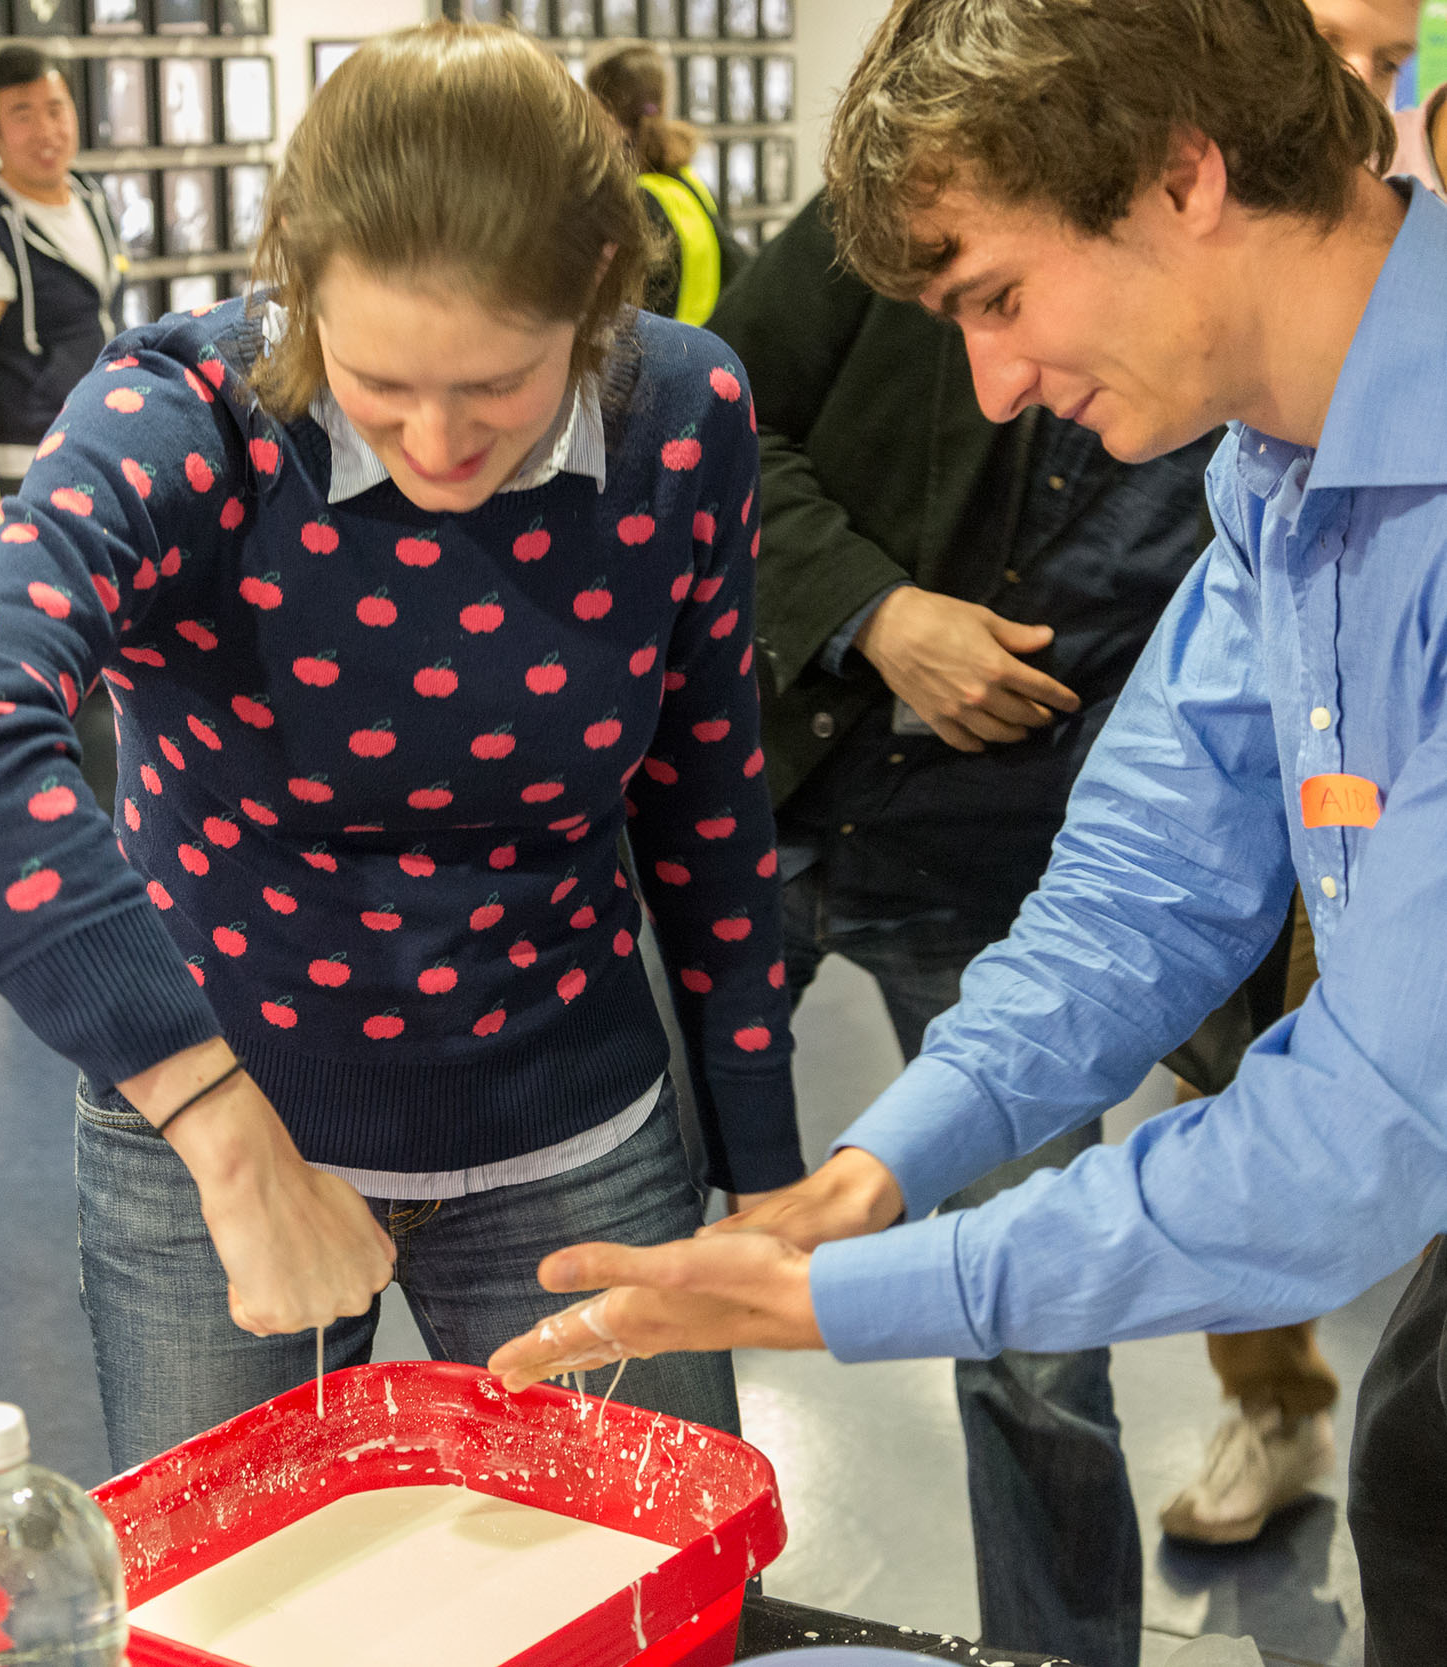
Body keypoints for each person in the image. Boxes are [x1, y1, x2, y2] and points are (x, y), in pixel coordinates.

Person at [489, 0, 1447, 1655]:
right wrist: (883, 1166)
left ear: (1182, 175)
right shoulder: (1272, 471)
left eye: (999, 300)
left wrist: (859, 1297)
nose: (992, 385)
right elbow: (1141, 887)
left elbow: (1368, 1119)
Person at [0, 22, 800, 1476]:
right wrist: (218, 1124)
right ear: (296, 289)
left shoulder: (683, 415)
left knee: (649, 1595)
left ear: (600, 302)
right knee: (231, 1613)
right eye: (378, 383)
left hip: (569, 1125)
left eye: (498, 385)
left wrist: (761, 1156)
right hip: (221, 1140)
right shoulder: (180, 420)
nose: (437, 443)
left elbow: (705, 794)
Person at [707, 193, 1213, 1665]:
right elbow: (708, 422)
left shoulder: (1264, 387)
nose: (1005, 375)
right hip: (757, 803)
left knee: (1041, 1343)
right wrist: (869, 608)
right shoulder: (933, 195)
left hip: (1011, 884)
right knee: (666, 1269)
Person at [1157, 0, 1442, 1547]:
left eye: (1385, 60)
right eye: (1324, 37)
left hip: (1367, 778)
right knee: (1252, 1080)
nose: (1348, 83)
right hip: (1273, 776)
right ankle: (1265, 1400)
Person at [0, 45, 125, 811]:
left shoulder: (88, 199)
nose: (46, 129)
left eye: (56, 108)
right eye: (22, 115)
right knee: (51, 672)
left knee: (113, 664)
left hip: (97, 460)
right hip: (27, 478)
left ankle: (118, 836)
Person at [587, 44, 746, 324]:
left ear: (607, 115)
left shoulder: (632, 199)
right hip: (705, 354)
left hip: (658, 361)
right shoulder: (691, 184)